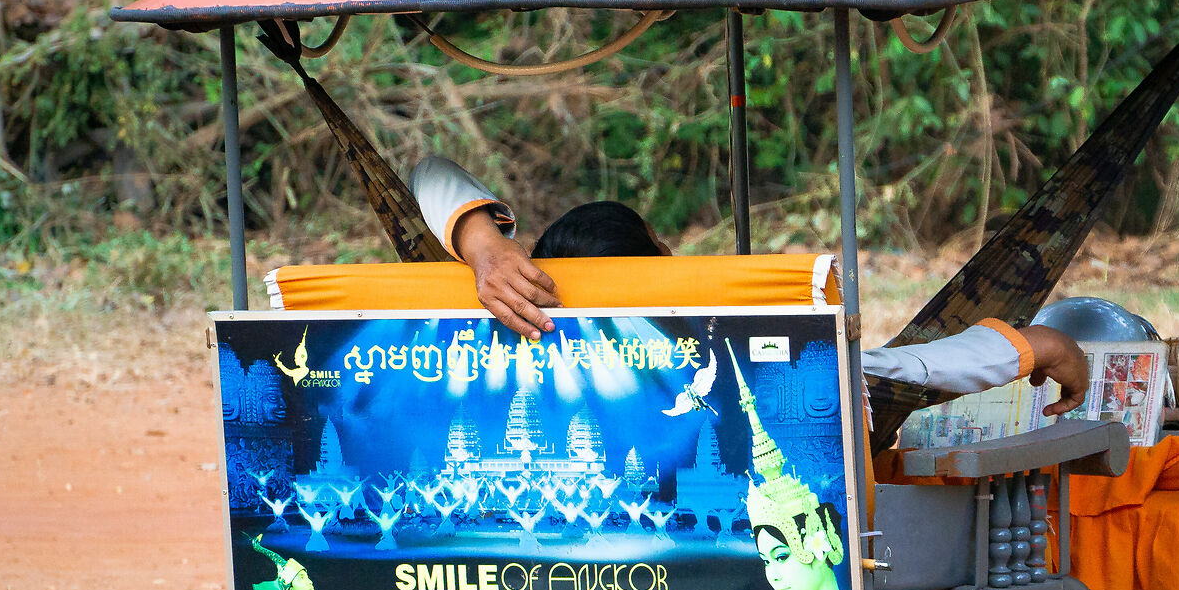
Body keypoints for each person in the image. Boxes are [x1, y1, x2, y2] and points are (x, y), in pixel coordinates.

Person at [408, 156, 1090, 414]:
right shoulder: (720, 362)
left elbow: (430, 171)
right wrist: (1041, 345)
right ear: (664, 264)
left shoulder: (493, 346)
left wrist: (485, 249)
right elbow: (891, 369)